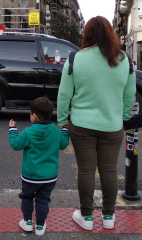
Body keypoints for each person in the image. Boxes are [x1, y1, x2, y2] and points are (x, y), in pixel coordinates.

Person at [57, 16, 136, 231]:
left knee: (86, 170)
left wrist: (62, 120)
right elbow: (130, 95)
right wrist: (123, 118)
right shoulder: (123, 59)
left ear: (87, 34)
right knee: (109, 170)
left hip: (82, 124)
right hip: (112, 125)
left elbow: (64, 94)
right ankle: (109, 217)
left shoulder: (76, 59)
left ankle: (87, 216)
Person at [8, 96, 69, 236]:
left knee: (27, 197)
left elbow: (15, 145)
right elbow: (63, 144)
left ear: (34, 116)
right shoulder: (55, 131)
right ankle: (40, 225)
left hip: (30, 176)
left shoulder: (29, 133)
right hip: (49, 177)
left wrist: (12, 130)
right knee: (43, 200)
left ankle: (27, 221)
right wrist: (65, 131)